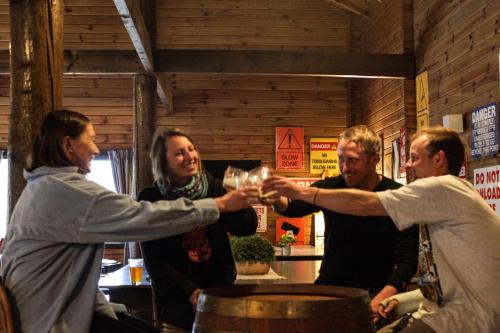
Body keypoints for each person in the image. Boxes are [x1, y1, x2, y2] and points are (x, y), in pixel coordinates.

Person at [0, 110, 259, 333]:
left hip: (41, 312)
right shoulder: (67, 191)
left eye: (191, 149)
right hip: (47, 321)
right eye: (91, 140)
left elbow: (69, 276)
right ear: (69, 145)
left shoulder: (42, 187)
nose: (97, 149)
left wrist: (111, 312)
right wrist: (220, 205)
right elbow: (143, 217)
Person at [262, 126, 500, 333]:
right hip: (444, 308)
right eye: (341, 159)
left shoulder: (443, 187)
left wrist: (299, 190)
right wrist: (399, 299)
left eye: (414, 157)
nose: (407, 164)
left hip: (470, 316)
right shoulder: (443, 196)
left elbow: (365, 204)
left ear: (438, 160)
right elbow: (436, 288)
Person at [264, 125, 419, 322]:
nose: (345, 167)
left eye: (353, 160)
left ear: (374, 159)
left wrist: (380, 300)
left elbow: (407, 261)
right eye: (340, 159)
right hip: (329, 288)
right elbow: (291, 208)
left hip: (374, 292)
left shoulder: (397, 196)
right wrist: (275, 197)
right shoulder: (330, 187)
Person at [138, 129, 258, 332]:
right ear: (163, 161)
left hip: (219, 295)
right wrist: (191, 292)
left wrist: (238, 200)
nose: (189, 156)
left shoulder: (217, 188)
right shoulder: (150, 197)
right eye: (179, 153)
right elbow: (154, 260)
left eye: (191, 149)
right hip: (176, 301)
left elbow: (246, 229)